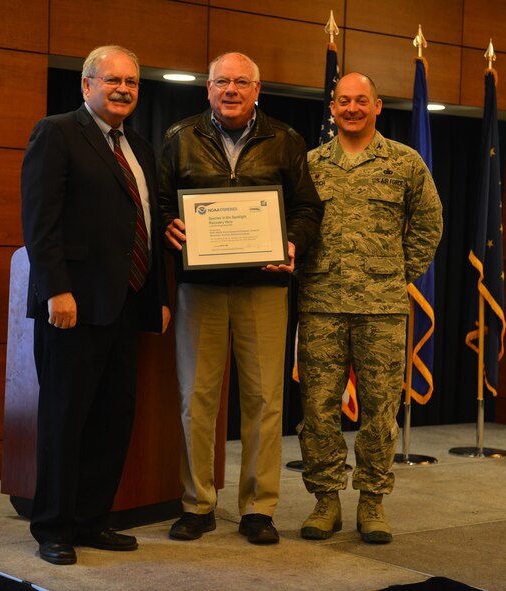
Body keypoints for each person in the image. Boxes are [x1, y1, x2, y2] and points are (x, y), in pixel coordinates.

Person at [158, 52, 322, 545]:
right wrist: (169, 224)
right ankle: (197, 504)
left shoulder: (287, 140)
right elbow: (162, 202)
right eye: (221, 81)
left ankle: (258, 508)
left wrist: (292, 241)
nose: (231, 90)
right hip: (199, 289)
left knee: (266, 400)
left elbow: (308, 207)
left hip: (264, 288)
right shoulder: (179, 138)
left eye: (241, 82)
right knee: (195, 399)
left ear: (257, 90)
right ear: (207, 89)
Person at [20, 45, 170, 566]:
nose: (124, 89)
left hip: (125, 306)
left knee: (112, 419)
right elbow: (41, 223)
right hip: (74, 307)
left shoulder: (140, 148)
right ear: (86, 85)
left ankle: (91, 520)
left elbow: (145, 225)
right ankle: (53, 528)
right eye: (113, 80)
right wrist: (55, 289)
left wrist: (158, 298)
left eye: (132, 81)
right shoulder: (57, 132)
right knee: (66, 419)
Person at [297, 72, 442, 543]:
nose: (352, 108)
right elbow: (291, 223)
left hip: (381, 308)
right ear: (333, 108)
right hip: (320, 303)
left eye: (362, 100)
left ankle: (373, 501)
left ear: (378, 106)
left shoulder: (404, 162)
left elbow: (428, 222)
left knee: (380, 410)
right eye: (344, 101)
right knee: (318, 408)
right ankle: (324, 500)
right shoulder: (311, 164)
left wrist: (398, 274)